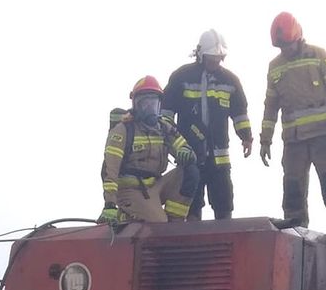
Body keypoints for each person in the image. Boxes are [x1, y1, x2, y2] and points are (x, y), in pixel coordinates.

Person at [259, 11, 326, 228]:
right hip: (294, 141)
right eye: (281, 47)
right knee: (293, 190)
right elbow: (270, 106)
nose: (285, 50)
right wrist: (265, 140)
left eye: (287, 45)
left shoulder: (318, 55)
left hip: (324, 137)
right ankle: (296, 232)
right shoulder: (275, 66)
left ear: (297, 38)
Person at [163, 29, 253, 220]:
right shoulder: (181, 77)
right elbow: (166, 114)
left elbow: (240, 113)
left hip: (219, 158)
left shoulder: (230, 80)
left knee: (224, 202)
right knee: (191, 204)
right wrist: (170, 144)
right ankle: (193, 235)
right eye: (212, 58)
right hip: (190, 155)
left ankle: (225, 236)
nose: (216, 62)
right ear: (201, 54)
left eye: (219, 58)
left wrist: (246, 137)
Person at [100, 77, 198, 224]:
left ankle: (175, 222)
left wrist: (186, 152)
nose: (149, 107)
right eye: (145, 103)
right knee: (158, 224)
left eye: (153, 103)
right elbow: (111, 170)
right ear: (135, 104)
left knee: (190, 171)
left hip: (155, 186)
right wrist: (110, 204)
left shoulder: (164, 128)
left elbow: (184, 148)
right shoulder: (123, 130)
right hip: (130, 190)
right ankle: (126, 215)